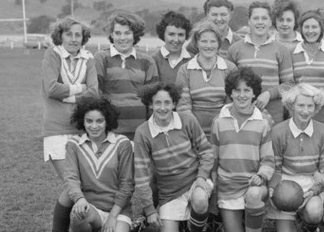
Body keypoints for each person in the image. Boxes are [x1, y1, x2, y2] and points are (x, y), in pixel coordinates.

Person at [133, 83, 214, 232]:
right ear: (150, 105)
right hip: (169, 192)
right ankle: (185, 225)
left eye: (167, 103)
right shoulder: (142, 132)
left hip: (195, 181)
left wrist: (202, 177)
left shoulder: (187, 120)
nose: (162, 108)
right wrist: (149, 209)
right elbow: (140, 176)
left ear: (174, 103)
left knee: (200, 199)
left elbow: (207, 152)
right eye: (157, 103)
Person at [42, 17, 98, 232]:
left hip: (81, 130)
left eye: (78, 34)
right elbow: (51, 89)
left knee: (79, 183)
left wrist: (69, 94)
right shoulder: (52, 55)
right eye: (69, 34)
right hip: (56, 128)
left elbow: (95, 92)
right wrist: (80, 89)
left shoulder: (89, 57)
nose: (74, 38)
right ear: (60, 36)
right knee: (71, 183)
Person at [210, 67, 275, 232]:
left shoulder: (263, 122)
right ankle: (222, 222)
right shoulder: (219, 121)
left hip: (251, 185)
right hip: (228, 187)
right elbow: (213, 159)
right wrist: (212, 192)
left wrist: (261, 176)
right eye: (237, 90)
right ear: (230, 93)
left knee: (255, 196)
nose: (242, 95)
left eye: (247, 90)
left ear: (254, 93)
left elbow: (269, 160)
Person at [62, 97, 134, 232]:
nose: (94, 126)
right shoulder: (74, 144)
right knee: (77, 212)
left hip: (118, 210)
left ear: (107, 121)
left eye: (99, 121)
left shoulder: (122, 144)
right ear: (82, 121)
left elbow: (127, 184)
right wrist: (80, 199)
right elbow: (70, 178)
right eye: (89, 121)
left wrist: (113, 217)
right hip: (91, 209)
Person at [268, 84, 324, 232]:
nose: (305, 111)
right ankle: (287, 222)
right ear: (291, 106)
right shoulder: (278, 131)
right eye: (301, 105)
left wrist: (313, 192)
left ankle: (311, 229)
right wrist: (274, 193)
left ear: (316, 107)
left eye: (310, 106)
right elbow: (275, 168)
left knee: (314, 212)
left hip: (310, 184)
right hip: (285, 185)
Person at [94, 10, 159, 140]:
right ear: (111, 35)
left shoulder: (147, 61)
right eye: (118, 33)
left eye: (127, 33)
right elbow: (96, 95)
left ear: (135, 35)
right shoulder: (101, 58)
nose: (122, 38)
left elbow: (154, 100)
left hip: (141, 132)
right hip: (110, 132)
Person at [227, 1, 294, 126]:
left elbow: (289, 84)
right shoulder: (235, 49)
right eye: (256, 18)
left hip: (273, 116)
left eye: (264, 18)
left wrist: (269, 94)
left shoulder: (281, 50)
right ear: (249, 21)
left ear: (270, 22)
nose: (260, 22)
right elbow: (229, 85)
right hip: (241, 116)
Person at [175, 22, 236, 140]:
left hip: (224, 133)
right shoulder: (184, 70)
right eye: (204, 41)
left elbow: (231, 106)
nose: (209, 45)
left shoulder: (230, 68)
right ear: (196, 43)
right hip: (193, 134)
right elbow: (184, 107)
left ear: (219, 43)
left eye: (213, 41)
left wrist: (218, 133)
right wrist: (197, 136)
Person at [151, 10, 192, 86]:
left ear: (186, 35)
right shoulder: (152, 61)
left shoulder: (194, 60)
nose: (176, 40)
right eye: (171, 34)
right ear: (163, 34)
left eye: (180, 35)